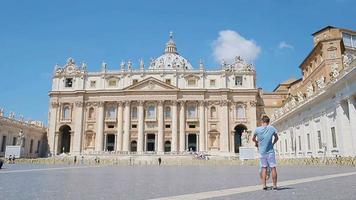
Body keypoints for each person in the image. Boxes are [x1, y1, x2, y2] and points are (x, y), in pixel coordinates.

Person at [252, 115, 279, 190]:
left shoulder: (257, 129)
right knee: (273, 167)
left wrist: (257, 142)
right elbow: (277, 138)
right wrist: (273, 143)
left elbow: (253, 139)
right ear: (268, 122)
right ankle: (274, 185)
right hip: (270, 151)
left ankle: (264, 185)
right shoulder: (272, 128)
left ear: (262, 121)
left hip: (262, 152)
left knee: (264, 168)